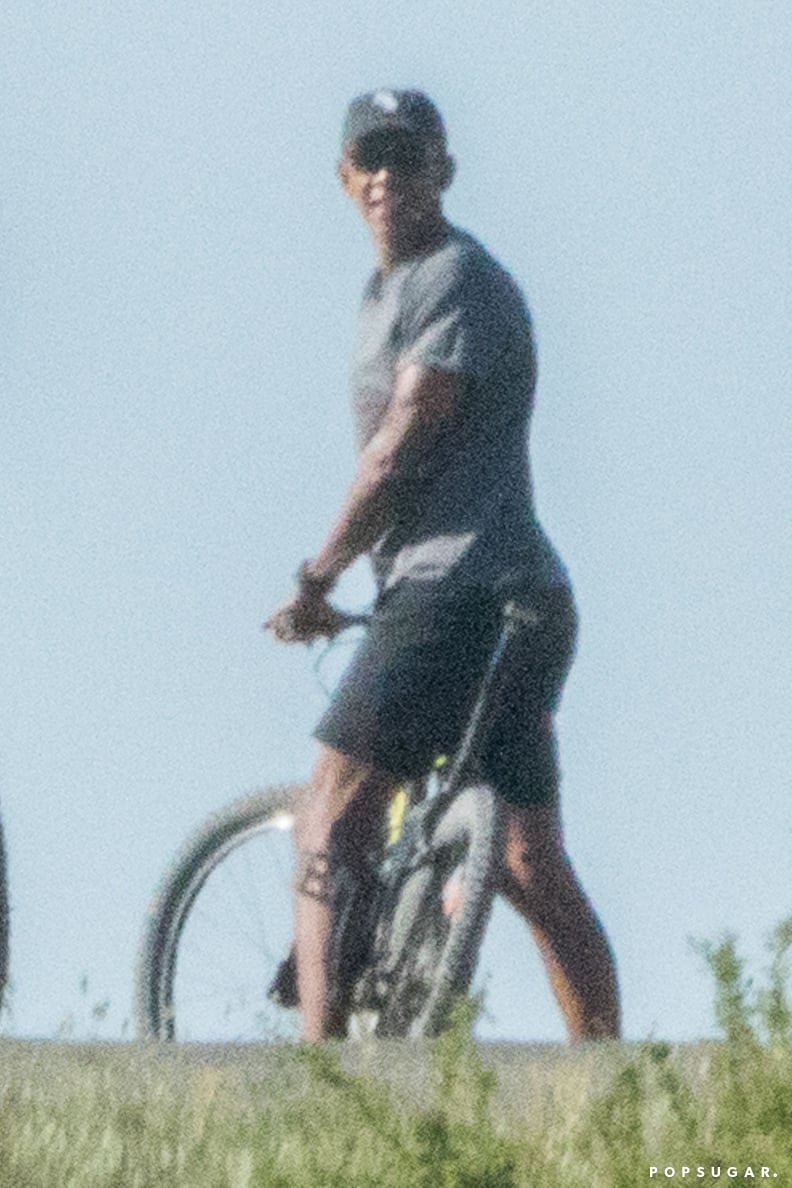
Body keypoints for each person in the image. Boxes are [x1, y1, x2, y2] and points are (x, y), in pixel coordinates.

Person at [266, 88, 620, 1042]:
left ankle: (319, 1077)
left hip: (457, 590)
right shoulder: (388, 292)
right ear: (343, 179)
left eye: (408, 159)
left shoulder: (456, 278)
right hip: (524, 598)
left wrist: (320, 574)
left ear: (444, 174)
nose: (388, 177)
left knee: (329, 809)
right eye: (369, 159)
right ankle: (611, 1080)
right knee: (523, 858)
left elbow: (402, 439)